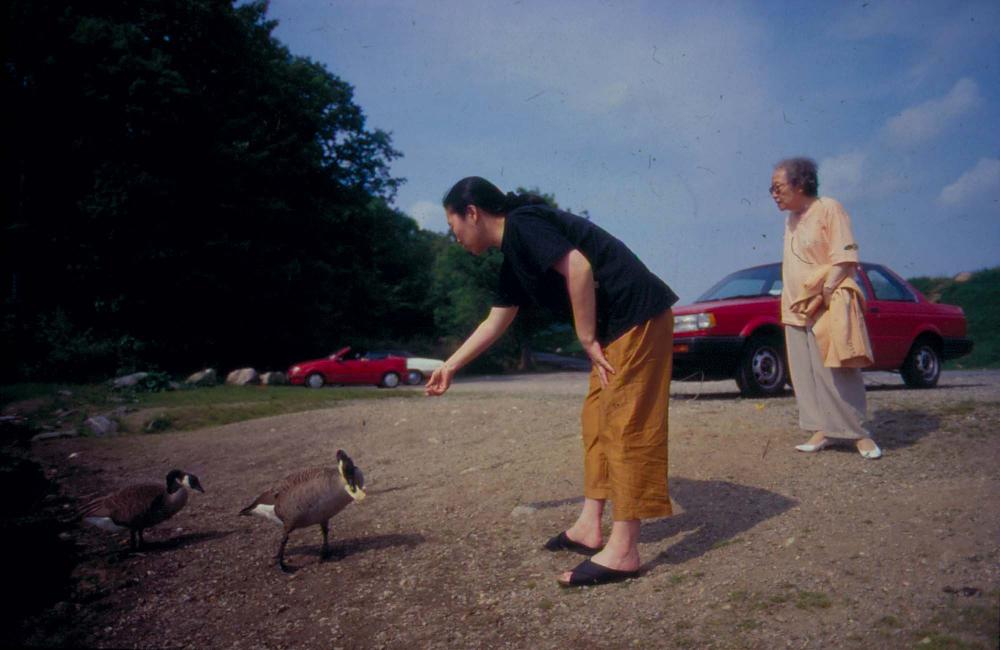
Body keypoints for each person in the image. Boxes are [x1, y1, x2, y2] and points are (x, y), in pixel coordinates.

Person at [425, 177, 679, 587]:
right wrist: (451, 365)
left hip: (637, 316)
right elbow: (497, 319)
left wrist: (584, 337)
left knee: (625, 426)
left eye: (453, 226)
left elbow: (579, 266)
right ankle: (589, 526)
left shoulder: (524, 224)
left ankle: (625, 549)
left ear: (472, 213)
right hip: (615, 329)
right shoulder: (514, 257)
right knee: (596, 422)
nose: (454, 237)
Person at [770, 158, 882, 459]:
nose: (774, 194)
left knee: (839, 370)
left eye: (778, 187)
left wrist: (825, 293)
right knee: (805, 373)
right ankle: (822, 428)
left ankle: (858, 433)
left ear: (800, 184)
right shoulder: (790, 219)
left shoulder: (829, 208)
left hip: (826, 304)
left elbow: (845, 259)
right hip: (795, 307)